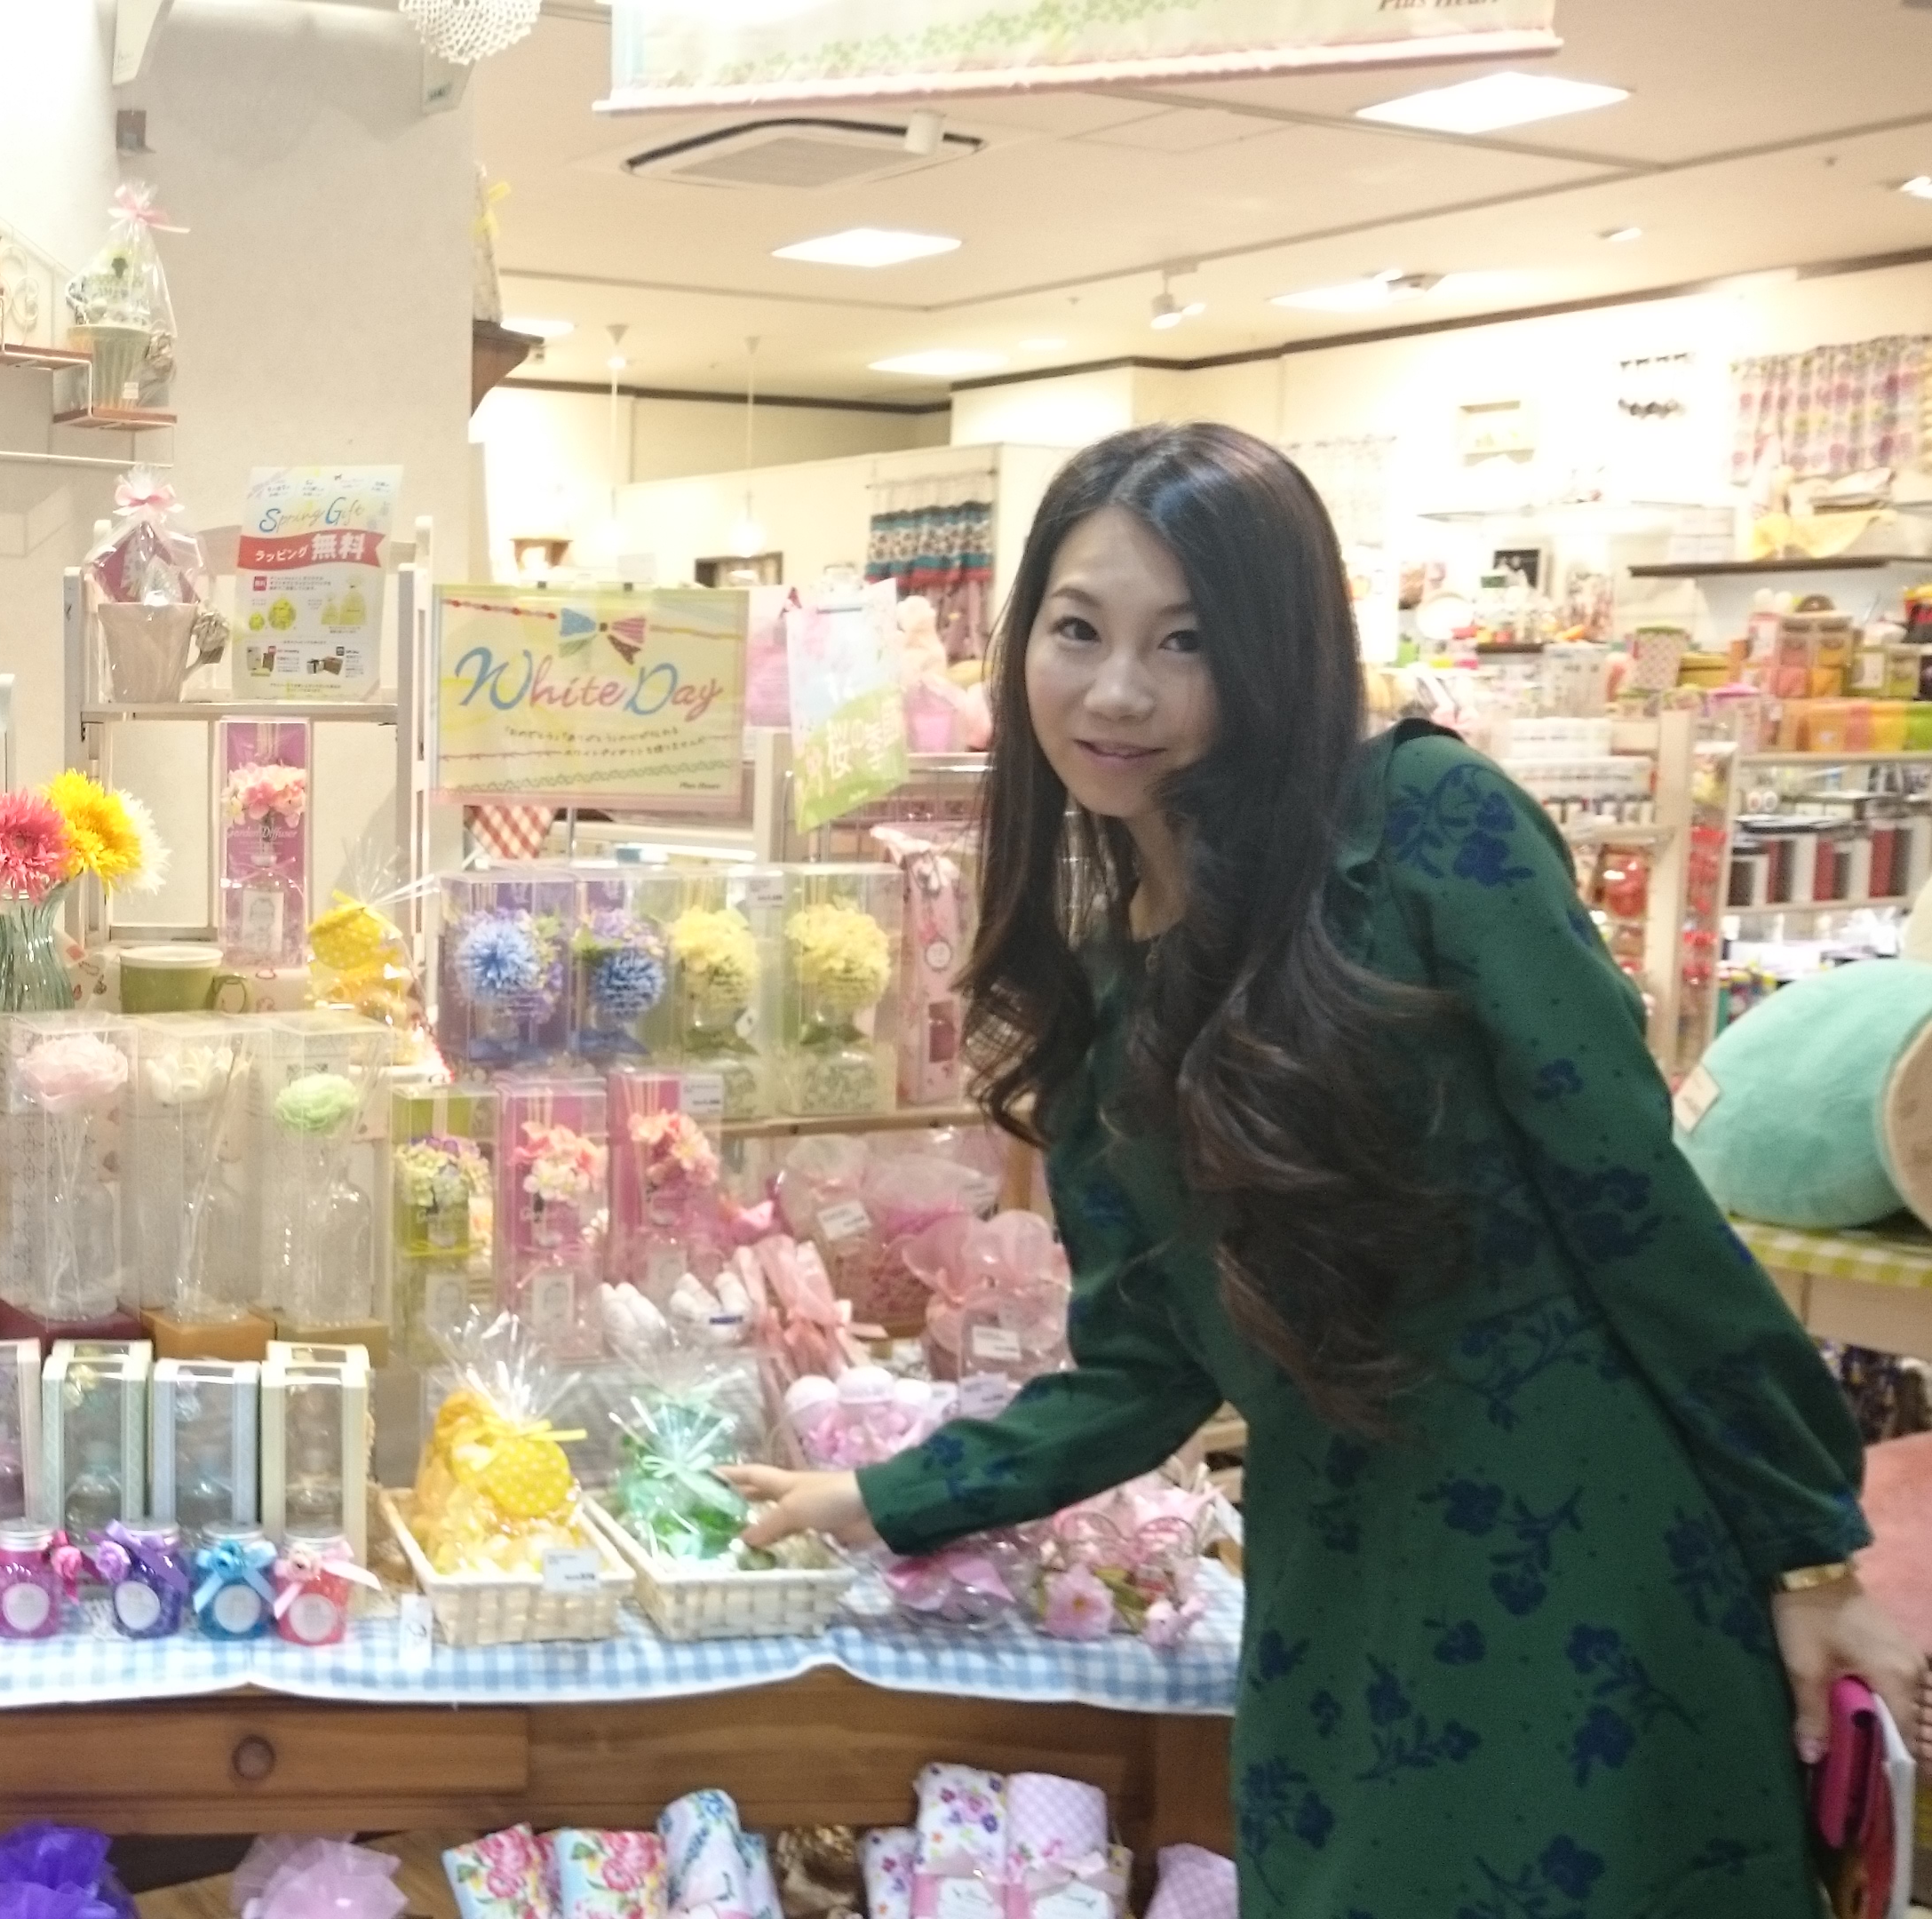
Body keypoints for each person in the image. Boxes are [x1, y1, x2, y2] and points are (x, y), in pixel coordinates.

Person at [729, 422, 1924, 1915]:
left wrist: (1809, 1547)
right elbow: (1145, 1367)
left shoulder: (1423, 828)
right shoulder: (1106, 985)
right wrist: (892, 1495)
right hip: (1341, 1602)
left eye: (1187, 642)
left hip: (1595, 1572)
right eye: (1078, 630)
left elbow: (1639, 1207)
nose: (1119, 691)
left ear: (1278, 652)